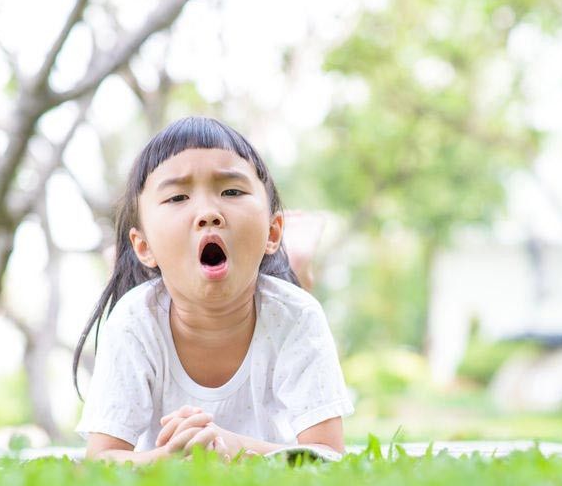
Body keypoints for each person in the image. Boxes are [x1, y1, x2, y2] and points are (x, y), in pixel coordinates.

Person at [73, 116, 353, 464]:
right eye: (177, 197)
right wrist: (166, 456)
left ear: (272, 231)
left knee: (290, 299)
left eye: (232, 192)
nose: (208, 213)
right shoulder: (133, 320)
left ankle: (295, 266)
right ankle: (293, 263)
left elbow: (329, 457)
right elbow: (98, 463)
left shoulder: (298, 316)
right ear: (143, 246)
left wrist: (228, 444)